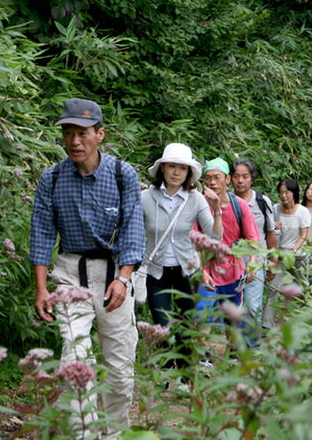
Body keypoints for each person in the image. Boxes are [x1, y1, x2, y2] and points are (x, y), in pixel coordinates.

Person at [30, 98, 145, 439]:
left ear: (99, 134)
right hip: (69, 271)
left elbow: (133, 231)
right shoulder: (51, 179)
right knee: (74, 358)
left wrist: (124, 279)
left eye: (82, 133)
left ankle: (112, 434)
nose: (74, 141)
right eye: (68, 132)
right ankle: (83, 434)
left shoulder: (123, 175)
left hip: (115, 274)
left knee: (119, 363)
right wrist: (41, 288)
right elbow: (41, 234)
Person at [142, 143, 222, 367]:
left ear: (189, 173)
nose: (177, 173)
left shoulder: (195, 199)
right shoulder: (145, 198)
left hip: (187, 273)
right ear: (162, 168)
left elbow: (214, 238)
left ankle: (186, 373)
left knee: (187, 326)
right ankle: (167, 372)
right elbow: (135, 233)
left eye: (183, 168)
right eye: (172, 166)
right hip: (156, 272)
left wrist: (217, 211)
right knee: (162, 326)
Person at [199, 158, 260, 326]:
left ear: (227, 179)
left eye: (217, 177)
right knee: (202, 319)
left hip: (233, 271)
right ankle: (203, 352)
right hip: (206, 271)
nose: (212, 182)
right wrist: (201, 270)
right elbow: (191, 241)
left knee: (232, 321)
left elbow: (252, 237)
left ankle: (232, 352)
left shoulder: (240, 206)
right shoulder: (199, 205)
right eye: (208, 178)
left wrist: (253, 262)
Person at [230, 158, 278, 348]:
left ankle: (253, 345)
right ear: (230, 179)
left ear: (252, 179)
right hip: (232, 263)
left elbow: (270, 233)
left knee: (253, 306)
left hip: (256, 261)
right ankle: (235, 346)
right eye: (236, 176)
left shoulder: (262, 201)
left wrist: (273, 262)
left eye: (245, 176)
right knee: (234, 306)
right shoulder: (226, 200)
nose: (240, 180)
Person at [263, 178, 310, 329]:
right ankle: (267, 324)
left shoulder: (303, 212)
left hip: (298, 257)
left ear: (294, 193)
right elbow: (267, 231)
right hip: (280, 257)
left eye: (287, 192)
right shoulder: (275, 209)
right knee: (273, 287)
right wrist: (271, 225)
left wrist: (293, 251)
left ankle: (303, 324)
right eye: (281, 192)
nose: (284, 196)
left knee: (301, 291)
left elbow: (304, 235)